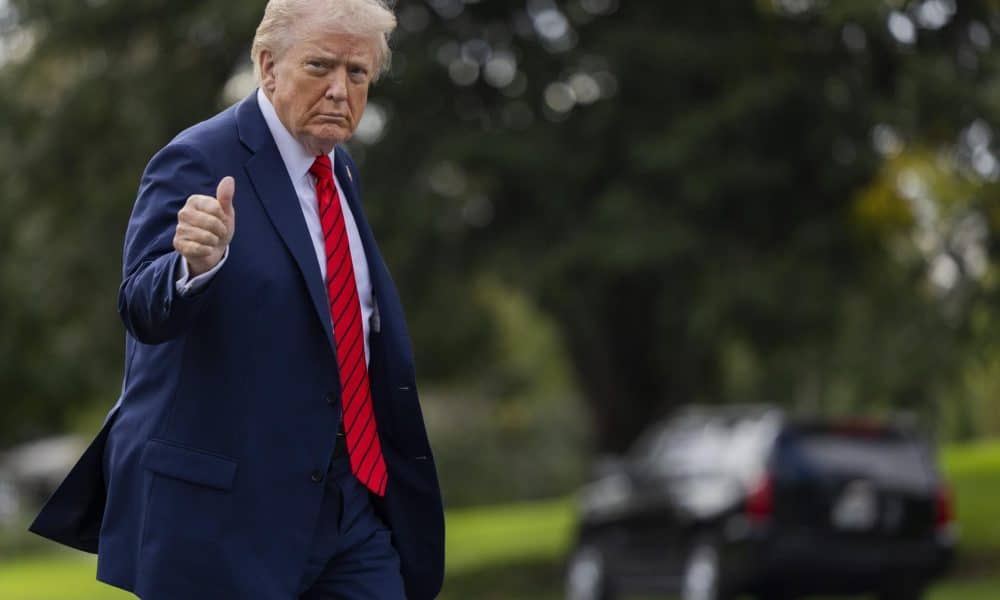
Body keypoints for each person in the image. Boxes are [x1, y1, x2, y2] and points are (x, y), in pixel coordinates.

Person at [29, 1, 444, 598]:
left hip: (344, 507)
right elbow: (142, 307)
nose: (338, 90)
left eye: (357, 74)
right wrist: (195, 265)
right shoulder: (200, 157)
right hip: (226, 519)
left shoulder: (339, 169)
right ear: (268, 65)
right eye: (320, 66)